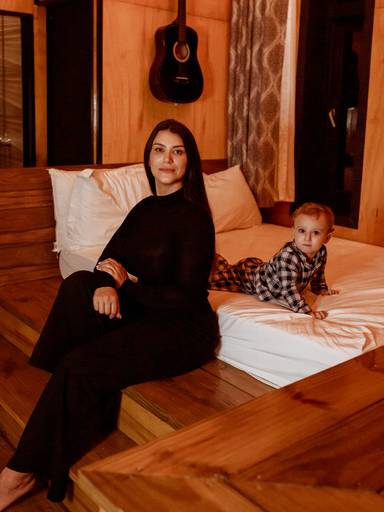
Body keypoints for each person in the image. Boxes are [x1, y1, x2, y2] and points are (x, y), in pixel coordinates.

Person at [0, 119, 219, 509]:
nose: (167, 159)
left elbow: (186, 297)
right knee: (78, 283)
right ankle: (63, 386)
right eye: (159, 150)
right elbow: (108, 260)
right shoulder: (145, 209)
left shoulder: (194, 216)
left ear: (190, 161)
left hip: (183, 328)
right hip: (146, 309)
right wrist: (106, 284)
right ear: (148, 157)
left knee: (81, 361)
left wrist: (126, 286)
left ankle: (19, 475)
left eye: (177, 151)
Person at [209, 202, 339, 319]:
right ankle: (208, 259)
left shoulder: (321, 252)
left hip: (266, 271)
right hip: (252, 278)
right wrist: (306, 311)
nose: (307, 238)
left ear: (327, 237)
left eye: (315, 232)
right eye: (302, 231)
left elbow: (318, 273)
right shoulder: (288, 257)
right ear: (293, 232)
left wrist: (320, 288)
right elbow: (289, 289)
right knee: (216, 276)